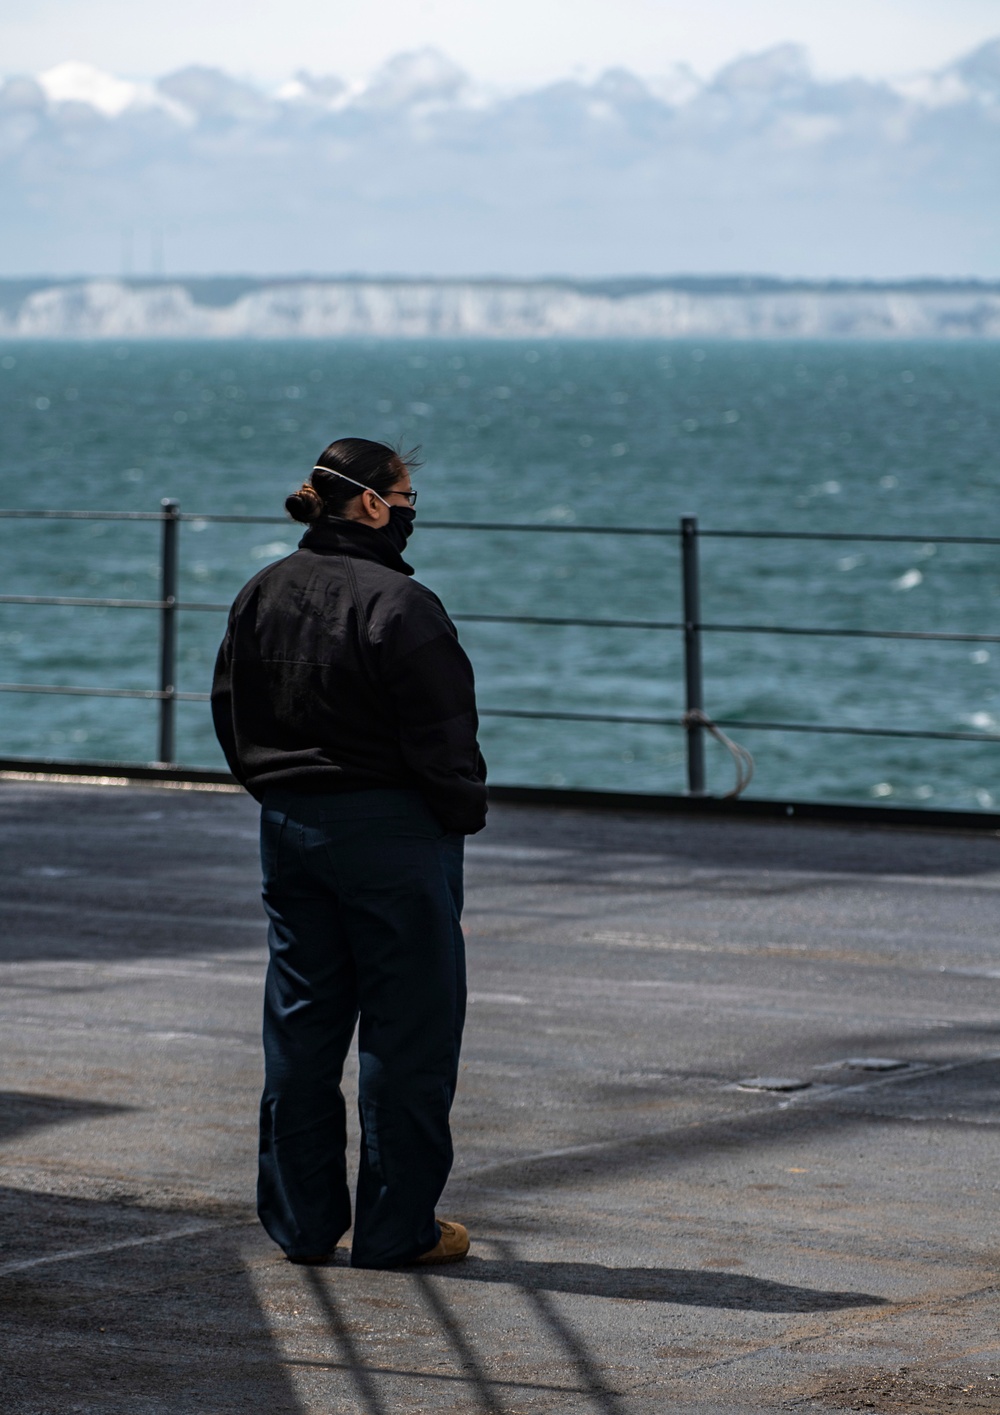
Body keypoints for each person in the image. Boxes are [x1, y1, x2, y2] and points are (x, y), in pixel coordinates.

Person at [211, 437, 487, 1269]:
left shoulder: (260, 592)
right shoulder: (403, 605)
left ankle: (301, 1224)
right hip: (395, 837)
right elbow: (447, 742)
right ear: (371, 502)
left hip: (290, 830)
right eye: (403, 495)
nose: (408, 508)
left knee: (300, 1031)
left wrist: (283, 794)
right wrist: (455, 816)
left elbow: (231, 714)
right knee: (408, 1037)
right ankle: (396, 1229)